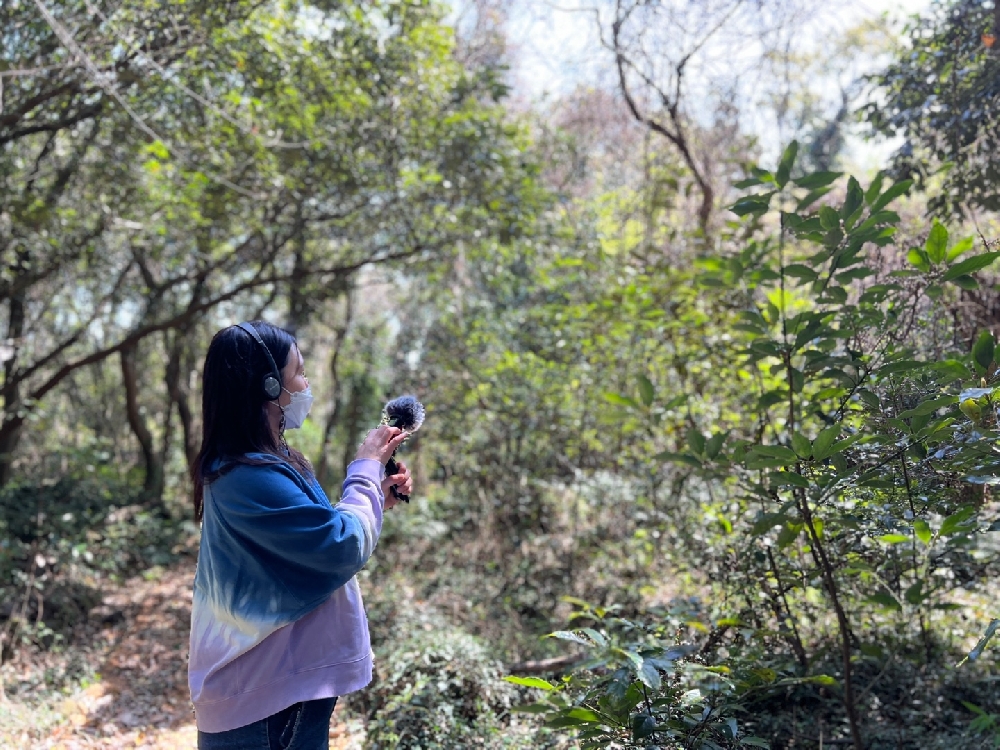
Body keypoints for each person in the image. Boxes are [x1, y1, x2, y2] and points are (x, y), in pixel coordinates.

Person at [188, 320, 412, 750]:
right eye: (300, 372)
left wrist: (374, 494)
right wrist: (364, 467)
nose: (307, 384)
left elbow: (309, 538)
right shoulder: (246, 476)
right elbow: (339, 546)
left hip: (279, 692)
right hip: (267, 699)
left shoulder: (266, 463)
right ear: (270, 386)